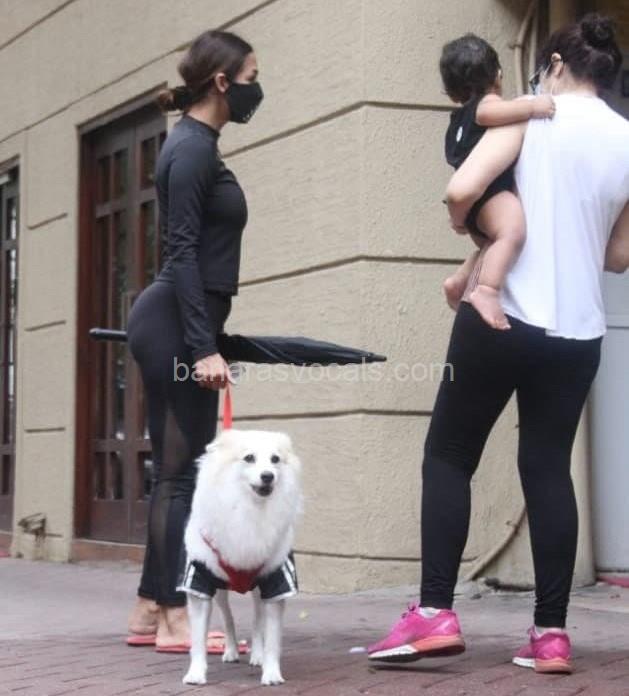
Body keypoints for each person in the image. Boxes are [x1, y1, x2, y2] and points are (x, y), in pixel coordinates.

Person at [368, 13, 628, 675]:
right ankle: (550, 635)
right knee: (547, 470)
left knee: (449, 455)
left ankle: (434, 612)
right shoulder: (627, 141)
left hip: (502, 315)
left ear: (556, 66)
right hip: (577, 333)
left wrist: (465, 226)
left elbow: (462, 188)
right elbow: (618, 256)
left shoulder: (525, 116)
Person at [125, 29, 264, 650]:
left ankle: (149, 608)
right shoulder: (191, 150)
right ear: (222, 82)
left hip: (182, 323)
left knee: (173, 474)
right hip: (177, 328)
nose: (257, 89)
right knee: (182, 477)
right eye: (252, 77)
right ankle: (178, 613)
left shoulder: (196, 144)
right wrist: (203, 345)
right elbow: (180, 254)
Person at [440, 34, 555, 330]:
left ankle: (460, 280)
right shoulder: (485, 106)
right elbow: (489, 111)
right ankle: (487, 290)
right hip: (490, 196)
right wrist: (533, 107)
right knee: (512, 233)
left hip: (475, 209)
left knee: (493, 245)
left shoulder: (456, 122)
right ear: (498, 75)